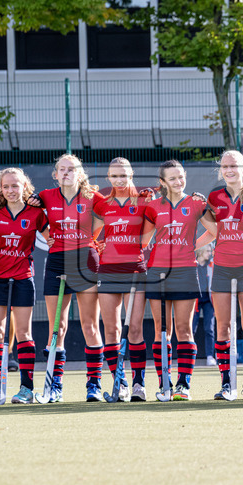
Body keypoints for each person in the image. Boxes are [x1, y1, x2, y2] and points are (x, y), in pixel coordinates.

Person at [143, 160, 212, 401]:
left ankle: (183, 384)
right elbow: (143, 240)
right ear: (162, 182)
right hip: (157, 273)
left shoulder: (196, 203)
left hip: (185, 272)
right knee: (162, 331)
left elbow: (214, 231)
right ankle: (165, 382)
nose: (178, 181)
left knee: (184, 329)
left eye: (181, 176)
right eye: (172, 178)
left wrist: (193, 246)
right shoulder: (152, 206)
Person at [39, 153, 106, 402]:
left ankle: (94, 385)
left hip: (85, 259)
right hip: (57, 259)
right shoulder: (45, 197)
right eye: (62, 169)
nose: (66, 173)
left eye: (72, 169)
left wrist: (93, 239)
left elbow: (113, 218)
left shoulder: (92, 197)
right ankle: (54, 385)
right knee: (57, 326)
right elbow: (24, 212)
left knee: (90, 324)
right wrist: (48, 233)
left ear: (80, 173)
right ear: (56, 174)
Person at [204, 150, 243, 400]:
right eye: (225, 166)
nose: (229, 170)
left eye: (234, 166)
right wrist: (193, 246)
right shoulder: (214, 197)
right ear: (221, 170)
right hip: (221, 267)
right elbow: (212, 229)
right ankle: (227, 383)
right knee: (223, 327)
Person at [0, 168, 47, 404]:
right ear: (0, 188)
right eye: (5, 187)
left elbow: (52, 237)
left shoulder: (36, 213)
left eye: (15, 186)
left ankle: (26, 389)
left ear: (24, 186)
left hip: (23, 276)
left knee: (23, 333)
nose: (10, 190)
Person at [92, 157, 149, 402]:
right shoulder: (103, 204)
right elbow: (91, 234)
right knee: (112, 330)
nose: (119, 180)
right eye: (114, 176)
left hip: (135, 269)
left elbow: (146, 239)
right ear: (108, 177)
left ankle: (138, 384)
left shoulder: (144, 201)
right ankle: (120, 383)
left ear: (131, 174)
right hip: (107, 271)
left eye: (123, 175)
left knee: (135, 329)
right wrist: (98, 245)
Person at [194, 245, 216, 366]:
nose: (210, 253)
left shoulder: (211, 265)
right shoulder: (193, 265)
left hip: (209, 301)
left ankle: (210, 356)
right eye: (208, 251)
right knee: (191, 329)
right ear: (201, 251)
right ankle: (189, 355)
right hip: (195, 300)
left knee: (209, 329)